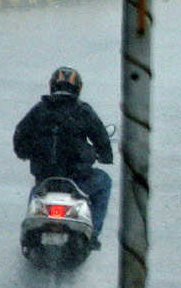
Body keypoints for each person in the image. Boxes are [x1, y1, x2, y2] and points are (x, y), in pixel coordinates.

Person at [13, 66, 113, 249]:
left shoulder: (39, 110)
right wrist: (104, 155)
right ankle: (94, 233)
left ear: (52, 86)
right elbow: (102, 139)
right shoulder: (83, 111)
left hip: (45, 178)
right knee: (104, 182)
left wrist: (28, 153)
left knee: (36, 192)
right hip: (79, 180)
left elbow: (20, 138)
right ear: (78, 88)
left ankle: (28, 232)